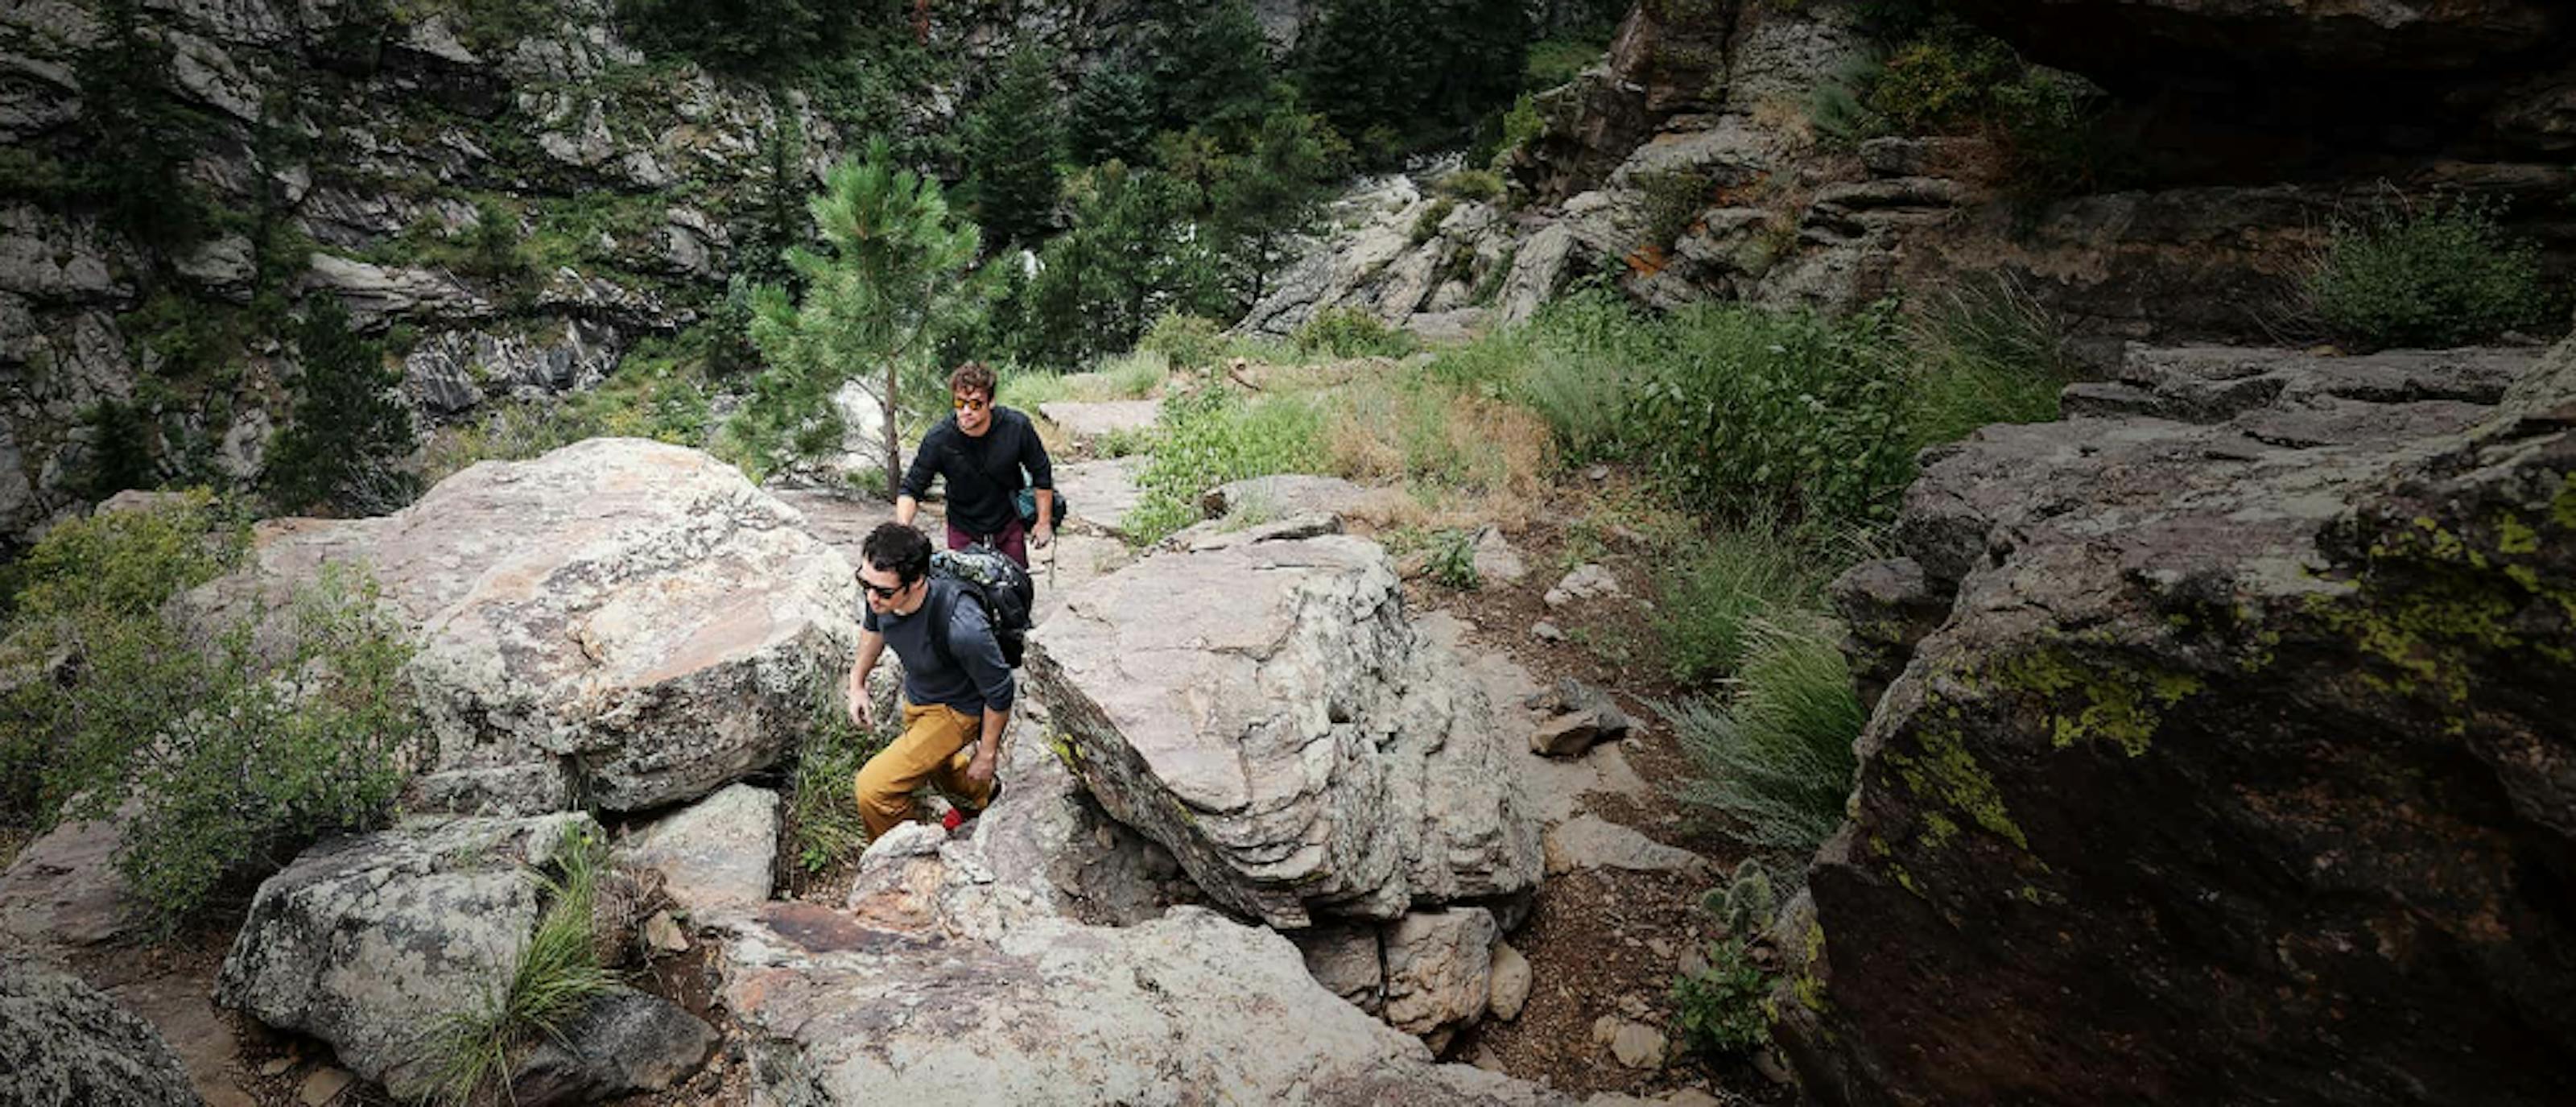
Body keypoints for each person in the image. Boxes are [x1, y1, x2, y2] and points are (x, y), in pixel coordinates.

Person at [846, 522, 1012, 839]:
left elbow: (1000, 689)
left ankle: (902, 859)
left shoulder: (963, 627)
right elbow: (874, 628)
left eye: (882, 591)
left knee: (874, 789)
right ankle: (980, 800)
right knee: (938, 765)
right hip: (921, 694)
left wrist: (986, 754)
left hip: (958, 709)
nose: (871, 598)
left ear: (917, 581)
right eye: (863, 583)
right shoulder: (882, 597)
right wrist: (857, 683)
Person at [894, 361, 1055, 569]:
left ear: (991, 402)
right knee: (965, 595)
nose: (967, 411)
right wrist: (901, 532)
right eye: (960, 403)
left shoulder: (1016, 427)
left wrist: (1043, 522)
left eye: (976, 404)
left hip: (1007, 522)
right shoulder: (939, 439)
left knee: (1015, 589)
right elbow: (912, 488)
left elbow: (1041, 471)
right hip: (963, 526)